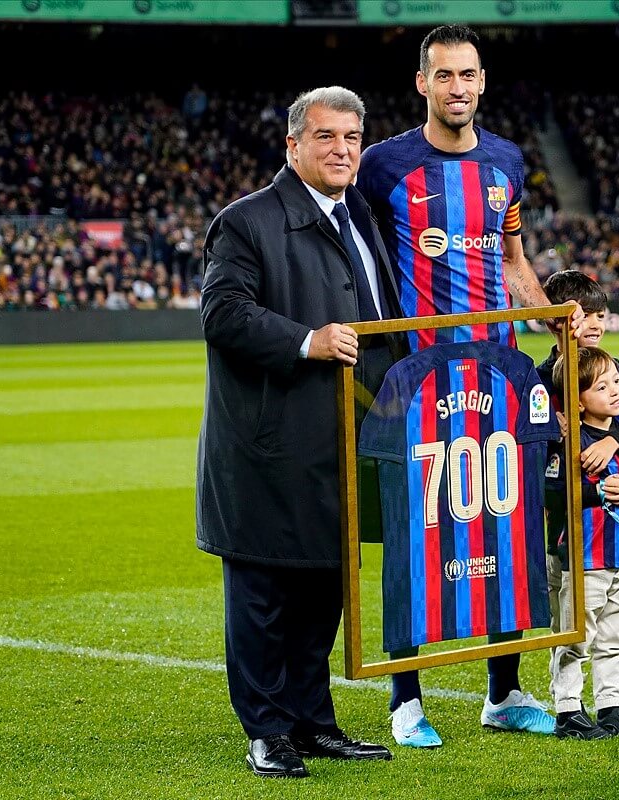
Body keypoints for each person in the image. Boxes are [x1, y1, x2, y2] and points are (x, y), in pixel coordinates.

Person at [357, 24, 579, 748]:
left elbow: (512, 257)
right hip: (414, 381)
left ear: (482, 82)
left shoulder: (508, 162)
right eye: (445, 75)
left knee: (503, 524)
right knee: (413, 530)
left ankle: (504, 691)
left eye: (470, 75)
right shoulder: (384, 165)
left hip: (500, 376)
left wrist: (552, 321)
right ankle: (405, 698)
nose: (459, 87)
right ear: (421, 82)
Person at [196, 86, 402, 780]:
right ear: (293, 145)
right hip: (268, 447)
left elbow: (381, 320)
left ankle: (314, 722)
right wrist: (306, 340)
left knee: (325, 590)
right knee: (262, 595)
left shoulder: (360, 216)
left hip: (343, 442)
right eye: (325, 137)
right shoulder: (246, 222)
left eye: (351, 137)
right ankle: (266, 731)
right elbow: (222, 314)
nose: (342, 149)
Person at [536, 269, 619, 735]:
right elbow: (543, 463)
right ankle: (569, 706)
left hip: (617, 534)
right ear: (554, 320)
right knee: (574, 622)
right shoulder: (542, 379)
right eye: (583, 314)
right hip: (569, 532)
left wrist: (614, 444)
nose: (594, 323)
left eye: (600, 315)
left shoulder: (612, 368)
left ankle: (614, 701)